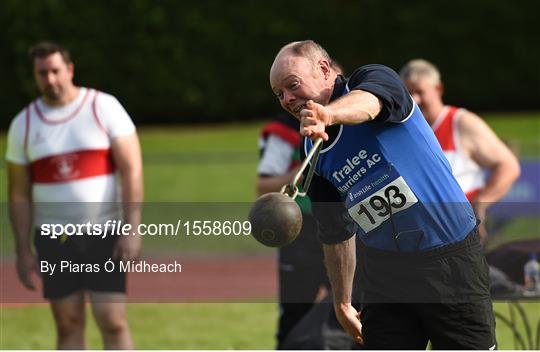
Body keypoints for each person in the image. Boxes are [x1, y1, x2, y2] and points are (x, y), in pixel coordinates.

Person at [269, 40, 496, 349]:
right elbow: (335, 231)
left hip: (450, 261)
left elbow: (369, 103)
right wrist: (342, 302)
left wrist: (329, 115)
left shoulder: (373, 80)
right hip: (383, 276)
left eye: (292, 85)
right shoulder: (312, 147)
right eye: (279, 94)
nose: (287, 98)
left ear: (323, 69)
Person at [6, 41, 143, 349]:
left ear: (69, 70)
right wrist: (22, 249)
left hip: (104, 232)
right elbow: (17, 193)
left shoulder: (102, 107)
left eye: (55, 71)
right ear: (35, 75)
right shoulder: (24, 124)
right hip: (54, 237)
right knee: (68, 323)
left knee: (112, 319)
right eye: (42, 73)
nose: (50, 79)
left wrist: (133, 229)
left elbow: (132, 169)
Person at [399, 59, 521, 243]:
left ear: (438, 89)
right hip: (423, 234)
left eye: (420, 92)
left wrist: (481, 203)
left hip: (464, 231)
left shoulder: (460, 123)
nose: (415, 99)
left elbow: (508, 166)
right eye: (409, 93)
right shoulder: (405, 131)